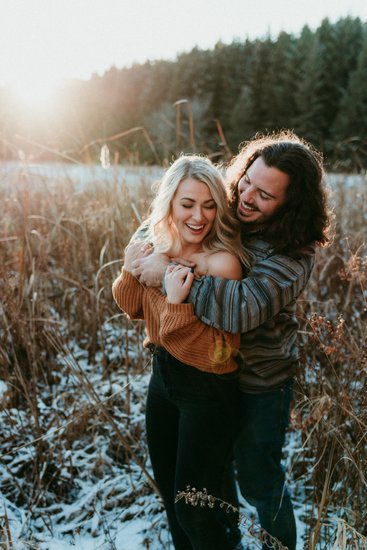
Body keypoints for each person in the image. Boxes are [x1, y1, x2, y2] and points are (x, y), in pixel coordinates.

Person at [129, 131, 332, 550]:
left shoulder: (294, 253)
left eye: (264, 195)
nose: (246, 197)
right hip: (205, 371)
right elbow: (168, 213)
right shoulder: (230, 201)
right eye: (246, 182)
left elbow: (241, 307)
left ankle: (279, 545)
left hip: (259, 381)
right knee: (208, 481)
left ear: (290, 205)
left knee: (257, 478)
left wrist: (172, 280)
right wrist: (148, 251)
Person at [112, 155, 250, 550]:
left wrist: (175, 301)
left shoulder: (222, 262)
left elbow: (197, 344)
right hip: (164, 380)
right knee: (173, 502)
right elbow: (131, 306)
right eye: (188, 204)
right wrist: (128, 270)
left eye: (209, 205)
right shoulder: (159, 246)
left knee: (196, 507)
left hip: (209, 389)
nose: (199, 216)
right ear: (170, 202)